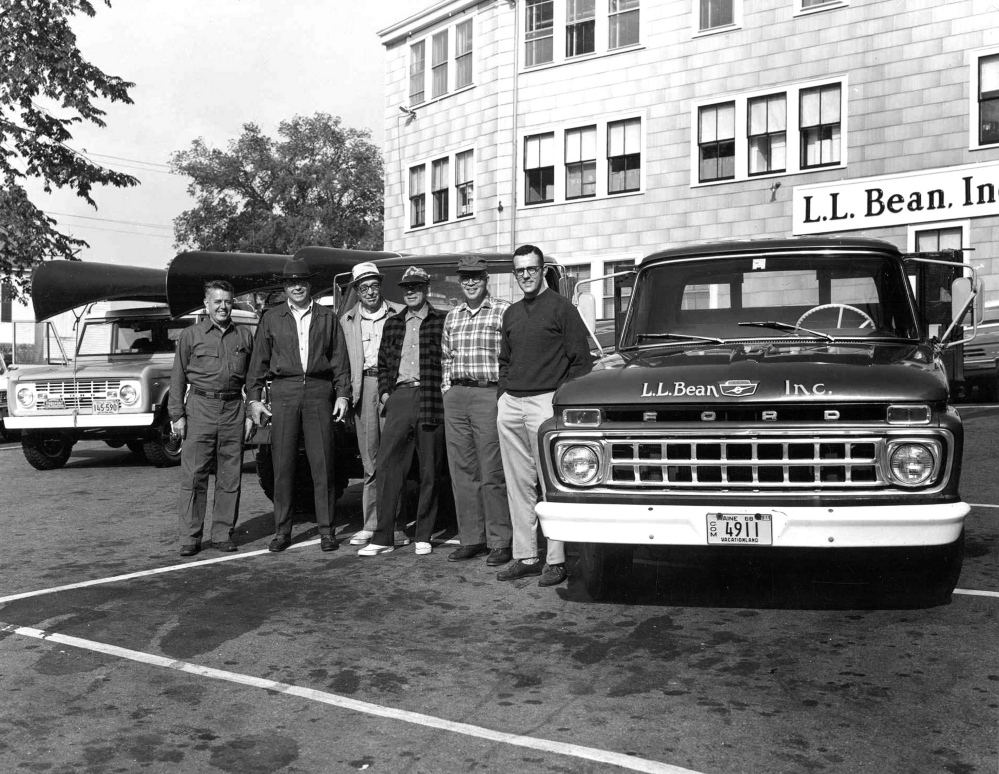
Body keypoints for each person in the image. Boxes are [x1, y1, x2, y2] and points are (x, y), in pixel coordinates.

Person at [496, 244, 594, 587]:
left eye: (532, 269)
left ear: (542, 271)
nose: (526, 275)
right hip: (511, 405)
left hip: (546, 405)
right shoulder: (511, 313)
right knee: (518, 484)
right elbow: (505, 361)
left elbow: (581, 361)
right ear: (515, 274)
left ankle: (556, 559)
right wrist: (502, 397)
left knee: (553, 484)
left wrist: (559, 403)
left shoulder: (562, 308)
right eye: (520, 270)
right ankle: (526, 556)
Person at [247, 258, 351, 553]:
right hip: (284, 392)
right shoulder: (271, 318)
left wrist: (343, 394)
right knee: (283, 466)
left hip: (319, 392)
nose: (297, 286)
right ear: (285, 286)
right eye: (291, 282)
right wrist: (254, 400)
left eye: (302, 282)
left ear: (309, 285)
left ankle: (327, 531)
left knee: (324, 466)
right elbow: (258, 364)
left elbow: (340, 361)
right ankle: (282, 531)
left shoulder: (327, 317)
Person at [358, 266, 445, 557]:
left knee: (428, 469)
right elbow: (383, 364)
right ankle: (383, 536)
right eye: (407, 287)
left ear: (426, 289)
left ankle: (423, 534)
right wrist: (386, 394)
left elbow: (449, 360)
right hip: (399, 397)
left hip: (430, 397)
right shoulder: (394, 323)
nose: (411, 292)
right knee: (387, 465)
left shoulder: (440, 321)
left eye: (417, 286)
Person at [168, 279, 254, 557]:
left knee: (230, 477)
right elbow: (178, 377)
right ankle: (190, 537)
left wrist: (252, 410)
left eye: (227, 301)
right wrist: (177, 416)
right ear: (206, 304)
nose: (223, 307)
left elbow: (253, 379)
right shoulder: (190, 336)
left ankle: (221, 533)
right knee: (194, 476)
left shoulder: (244, 336)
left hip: (233, 411)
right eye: (217, 301)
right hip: (200, 409)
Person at [441, 256, 513, 567]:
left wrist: (501, 394)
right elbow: (446, 356)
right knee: (462, 472)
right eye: (465, 277)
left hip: (488, 393)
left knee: (492, 471)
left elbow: (511, 356)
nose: (471, 282)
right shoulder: (452, 316)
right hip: (457, 395)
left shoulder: (502, 310)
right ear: (459, 281)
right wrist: (448, 389)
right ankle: (471, 538)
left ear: (486, 279)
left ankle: (500, 541)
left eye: (476, 277)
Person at [340, 261, 403, 547]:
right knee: (370, 461)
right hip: (362, 388)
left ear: (380, 287)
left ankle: (394, 525)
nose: (369, 292)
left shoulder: (399, 314)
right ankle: (370, 524)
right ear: (356, 290)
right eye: (363, 287)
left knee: (394, 458)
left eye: (374, 286)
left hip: (392, 387)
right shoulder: (346, 321)